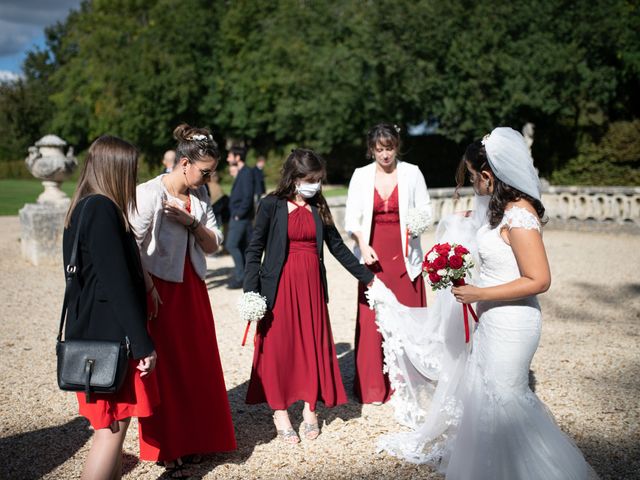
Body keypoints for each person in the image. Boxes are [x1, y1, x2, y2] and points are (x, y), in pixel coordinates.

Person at [368, 127, 596, 479]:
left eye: (474, 178)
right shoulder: (501, 210)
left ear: (489, 176)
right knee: (487, 398)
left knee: (507, 400)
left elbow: (539, 280)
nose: (473, 185)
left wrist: (479, 294)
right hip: (491, 319)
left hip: (513, 321)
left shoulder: (520, 216)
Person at [244, 148, 375, 444]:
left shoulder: (319, 204)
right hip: (278, 287)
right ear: (294, 177)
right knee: (278, 347)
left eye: (318, 179)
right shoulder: (271, 205)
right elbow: (254, 250)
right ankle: (279, 410)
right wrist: (251, 293)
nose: (315, 184)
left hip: (312, 288)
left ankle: (310, 408)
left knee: (310, 345)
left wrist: (368, 278)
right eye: (311, 179)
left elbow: (337, 247)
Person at [131, 124, 236, 476]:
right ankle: (168, 446)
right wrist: (147, 288)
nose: (209, 178)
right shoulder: (148, 193)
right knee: (167, 370)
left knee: (196, 365)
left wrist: (192, 223)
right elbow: (131, 244)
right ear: (185, 163)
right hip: (159, 292)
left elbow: (214, 243)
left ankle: (195, 440)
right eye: (205, 171)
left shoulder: (200, 200)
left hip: (193, 290)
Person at [62, 135, 158, 480]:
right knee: (111, 429)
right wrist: (143, 343)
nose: (132, 179)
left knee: (113, 428)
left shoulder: (81, 208)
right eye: (130, 171)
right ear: (116, 170)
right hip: (109, 339)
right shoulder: (102, 209)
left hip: (93, 333)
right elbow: (116, 284)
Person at [344, 123, 432, 405]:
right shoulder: (360, 176)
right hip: (373, 253)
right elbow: (352, 217)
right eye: (379, 149)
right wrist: (362, 243)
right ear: (371, 149)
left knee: (409, 318)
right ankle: (373, 387)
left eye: (390, 148)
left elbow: (425, 210)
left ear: (397, 146)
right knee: (373, 321)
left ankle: (410, 385)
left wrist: (417, 226)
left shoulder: (412, 172)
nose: (385, 154)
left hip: (406, 255)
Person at [226, 145, 255, 288]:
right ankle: (245, 278)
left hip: (240, 217)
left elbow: (248, 197)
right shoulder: (242, 172)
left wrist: (239, 214)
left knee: (231, 245)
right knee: (242, 246)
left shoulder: (246, 172)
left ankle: (240, 277)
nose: (227, 159)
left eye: (230, 156)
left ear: (237, 157)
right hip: (238, 216)